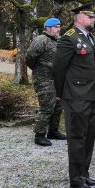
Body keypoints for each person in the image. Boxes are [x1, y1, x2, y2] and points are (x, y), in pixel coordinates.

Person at [53, 4, 95, 188]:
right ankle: (76, 178)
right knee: (77, 137)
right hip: (76, 96)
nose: (93, 19)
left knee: (89, 137)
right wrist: (60, 93)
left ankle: (84, 173)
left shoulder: (91, 38)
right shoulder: (69, 38)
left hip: (93, 95)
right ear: (80, 17)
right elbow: (59, 68)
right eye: (90, 16)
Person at [26, 17, 66, 147]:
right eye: (56, 27)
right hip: (43, 79)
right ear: (48, 28)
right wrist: (40, 69)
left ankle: (53, 131)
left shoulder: (57, 41)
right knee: (47, 107)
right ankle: (39, 135)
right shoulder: (40, 40)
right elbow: (29, 58)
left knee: (58, 106)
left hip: (56, 79)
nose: (58, 29)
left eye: (59, 27)